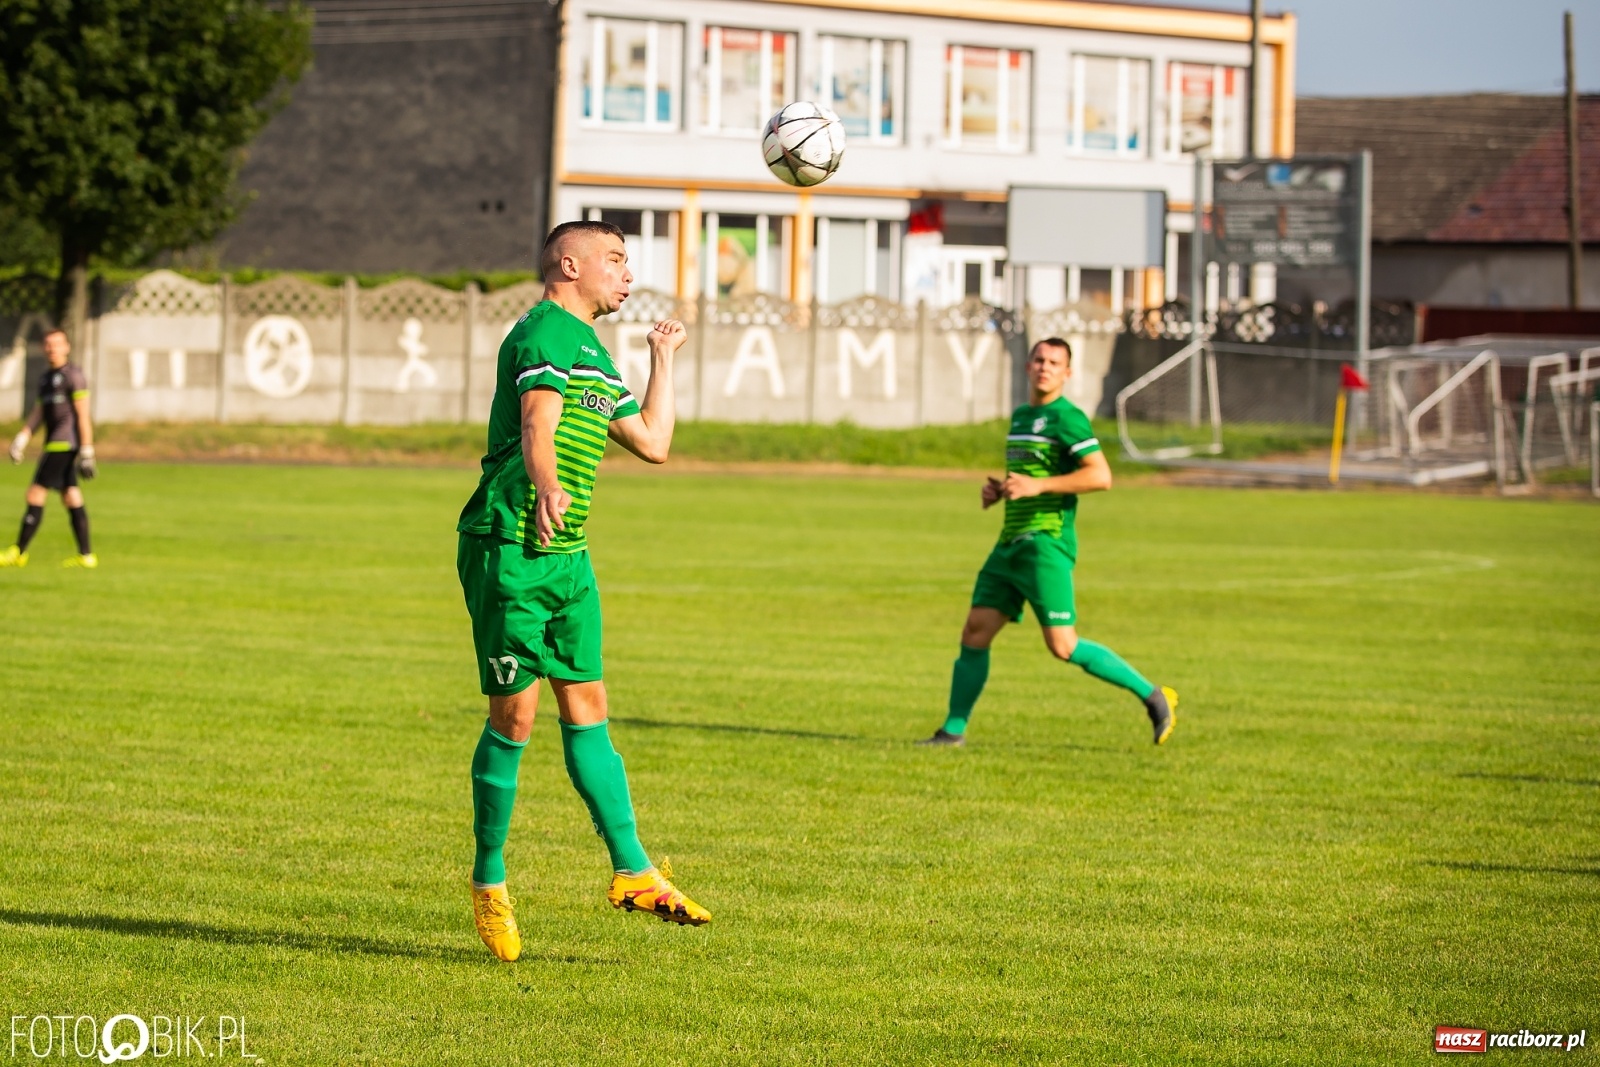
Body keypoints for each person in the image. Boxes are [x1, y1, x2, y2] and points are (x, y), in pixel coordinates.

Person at [455, 220, 707, 963]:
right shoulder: (543, 335)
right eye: (617, 260)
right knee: (516, 717)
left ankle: (632, 870)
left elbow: (655, 444)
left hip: (568, 555)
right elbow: (537, 420)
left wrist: (662, 359)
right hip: (512, 542)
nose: (629, 274)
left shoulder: (596, 352)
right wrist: (548, 481)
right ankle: (489, 882)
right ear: (571, 263)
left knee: (588, 705)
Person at [920, 337, 1176, 748]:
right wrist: (1002, 491)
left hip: (1045, 543)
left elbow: (1100, 476)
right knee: (975, 632)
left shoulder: (1067, 419)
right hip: (1009, 544)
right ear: (1027, 366)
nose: (1045, 367)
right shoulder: (1022, 416)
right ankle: (952, 731)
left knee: (1063, 644)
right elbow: (1031, 477)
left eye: (1055, 362)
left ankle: (1153, 695)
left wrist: (1038, 486)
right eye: (1039, 359)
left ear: (1067, 373)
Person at [3, 328, 97, 569]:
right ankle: (86, 556)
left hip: (63, 445)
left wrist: (87, 450)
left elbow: (83, 415)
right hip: (54, 444)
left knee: (35, 493)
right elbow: (38, 413)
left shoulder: (74, 375)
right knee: (71, 496)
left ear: (67, 347)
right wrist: (22, 438)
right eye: (48, 344)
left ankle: (19, 551)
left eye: (57, 344)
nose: (51, 349)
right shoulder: (46, 378)